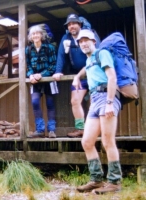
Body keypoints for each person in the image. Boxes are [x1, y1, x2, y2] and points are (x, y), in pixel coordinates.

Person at [73, 29, 122, 194]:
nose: (83, 43)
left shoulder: (103, 53)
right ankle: (96, 180)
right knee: (87, 142)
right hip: (94, 100)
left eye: (86, 40)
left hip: (106, 97)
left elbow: (112, 77)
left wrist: (109, 102)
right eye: (80, 41)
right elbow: (87, 69)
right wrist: (77, 77)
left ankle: (114, 182)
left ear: (94, 41)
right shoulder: (89, 60)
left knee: (108, 141)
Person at [52, 13, 99, 138]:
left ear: (80, 24)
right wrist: (58, 71)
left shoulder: (89, 34)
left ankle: (97, 130)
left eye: (74, 23)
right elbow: (61, 55)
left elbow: (97, 52)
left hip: (95, 74)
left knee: (97, 101)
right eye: (69, 24)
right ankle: (81, 129)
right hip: (80, 76)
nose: (71, 26)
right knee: (75, 100)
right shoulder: (65, 38)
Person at [26, 24, 58, 138]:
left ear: (41, 35)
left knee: (50, 103)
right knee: (35, 102)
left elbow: (53, 65)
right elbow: (28, 66)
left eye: (37, 33)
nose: (35, 35)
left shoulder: (50, 48)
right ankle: (40, 130)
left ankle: (51, 130)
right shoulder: (28, 50)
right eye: (33, 34)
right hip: (35, 81)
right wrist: (30, 75)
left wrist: (42, 74)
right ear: (30, 36)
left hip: (49, 79)